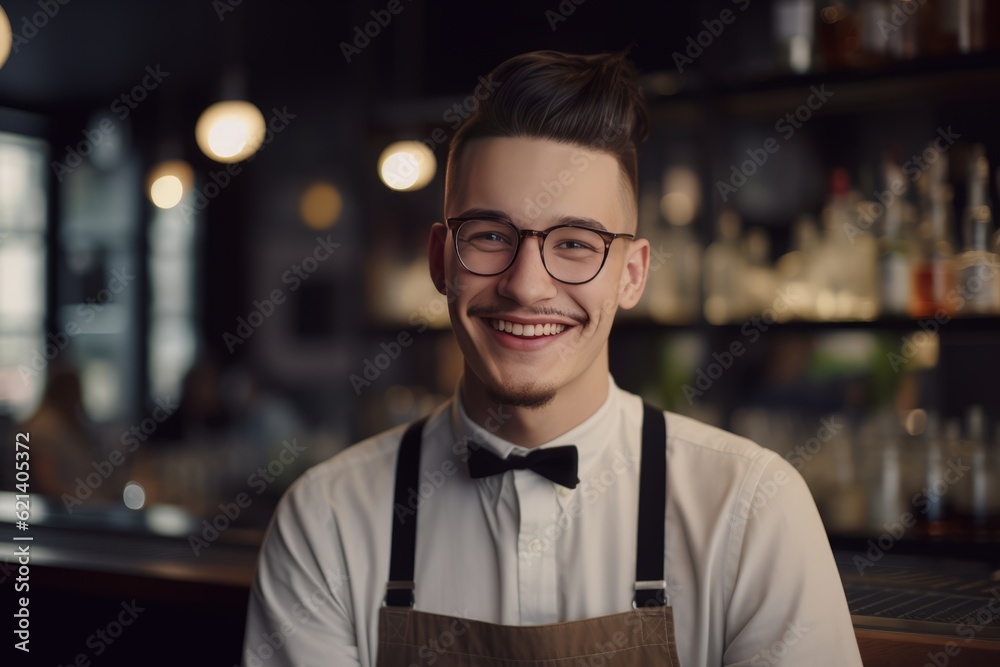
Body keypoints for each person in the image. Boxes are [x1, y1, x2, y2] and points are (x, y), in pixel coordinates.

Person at [244, 50, 863, 666]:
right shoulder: (324, 522)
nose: (527, 285)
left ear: (632, 275)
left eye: (574, 243)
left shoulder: (751, 510)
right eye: (490, 235)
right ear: (440, 261)